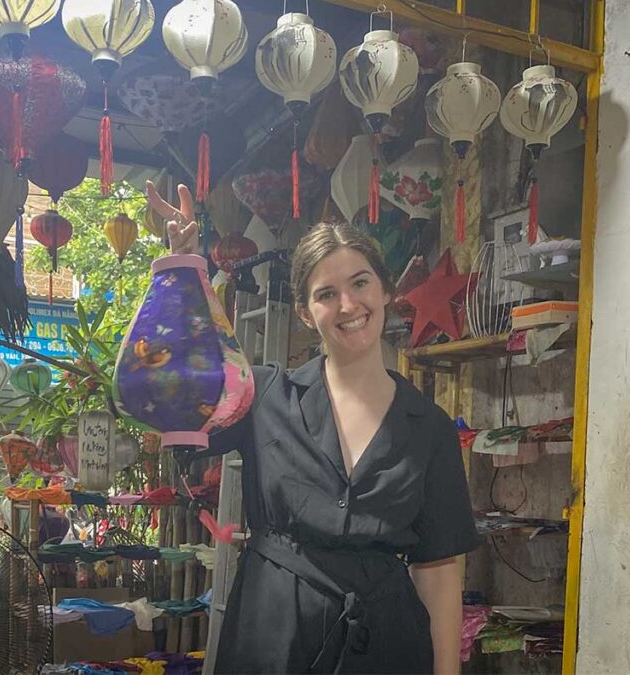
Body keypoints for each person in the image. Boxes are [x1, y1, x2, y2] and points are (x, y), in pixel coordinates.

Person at [146, 181, 480, 675]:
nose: (348, 305)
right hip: (272, 631)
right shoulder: (261, 394)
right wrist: (182, 275)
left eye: (361, 283)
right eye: (326, 294)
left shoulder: (428, 427)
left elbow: (437, 568)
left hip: (384, 642)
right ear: (305, 313)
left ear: (386, 290)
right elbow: (167, 394)